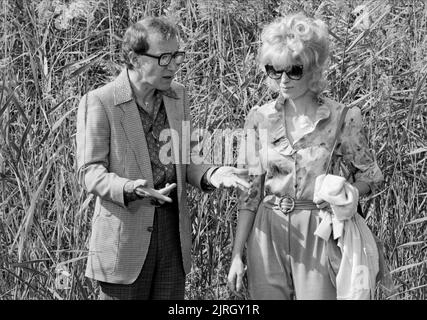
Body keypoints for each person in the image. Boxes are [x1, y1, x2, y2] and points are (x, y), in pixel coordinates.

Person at [76, 16, 249, 300]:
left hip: (172, 235)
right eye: (164, 57)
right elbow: (90, 173)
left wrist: (212, 174)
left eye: (177, 55)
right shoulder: (100, 101)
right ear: (134, 58)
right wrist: (132, 188)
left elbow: (187, 157)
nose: (174, 65)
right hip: (124, 241)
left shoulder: (177, 96)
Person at [227, 12, 384, 300]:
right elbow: (249, 194)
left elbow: (371, 177)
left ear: (313, 68)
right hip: (266, 228)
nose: (283, 79)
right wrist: (237, 255)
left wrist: (347, 191)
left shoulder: (343, 117)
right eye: (274, 70)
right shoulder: (258, 118)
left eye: (293, 70)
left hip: (318, 228)